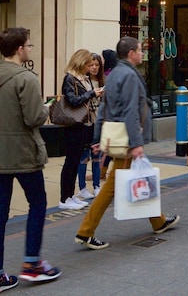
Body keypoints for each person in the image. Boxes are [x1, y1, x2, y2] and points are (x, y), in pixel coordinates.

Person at [74, 37, 179, 249]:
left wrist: (98, 137)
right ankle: (86, 231)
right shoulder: (130, 76)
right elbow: (131, 111)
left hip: (118, 136)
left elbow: (104, 107)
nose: (142, 54)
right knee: (112, 186)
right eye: (140, 51)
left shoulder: (112, 75)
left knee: (136, 176)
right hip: (127, 139)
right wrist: (136, 143)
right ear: (131, 53)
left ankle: (158, 221)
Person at [0, 28, 61, 294]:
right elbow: (34, 118)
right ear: (20, 49)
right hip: (22, 151)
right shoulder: (26, 78)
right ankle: (33, 264)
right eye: (29, 45)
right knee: (38, 202)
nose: (30, 48)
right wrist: (46, 108)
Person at [58, 49, 102, 210]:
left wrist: (94, 94)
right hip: (74, 125)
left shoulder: (84, 79)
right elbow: (72, 100)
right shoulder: (70, 79)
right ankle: (64, 197)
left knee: (76, 160)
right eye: (88, 64)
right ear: (81, 63)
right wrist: (91, 93)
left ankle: (70, 195)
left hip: (85, 123)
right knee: (70, 161)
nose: (90, 68)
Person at [76, 52, 106, 200]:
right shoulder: (83, 82)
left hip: (99, 123)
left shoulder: (102, 81)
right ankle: (82, 187)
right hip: (86, 123)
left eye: (97, 65)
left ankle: (96, 185)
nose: (94, 68)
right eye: (91, 65)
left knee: (97, 155)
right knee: (84, 156)